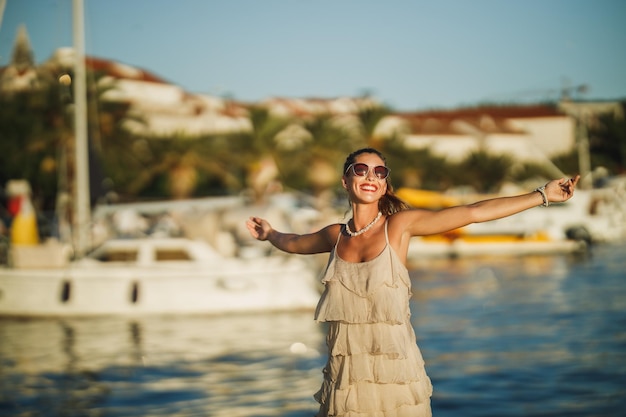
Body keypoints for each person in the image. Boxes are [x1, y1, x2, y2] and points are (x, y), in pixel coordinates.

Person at [246, 147, 580, 417]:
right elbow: (294, 242)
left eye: (379, 172)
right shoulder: (335, 236)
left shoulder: (399, 226)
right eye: (360, 169)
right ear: (345, 181)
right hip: (346, 379)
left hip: (397, 377)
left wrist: (542, 195)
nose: (370, 176)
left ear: (386, 185)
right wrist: (269, 233)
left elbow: (472, 212)